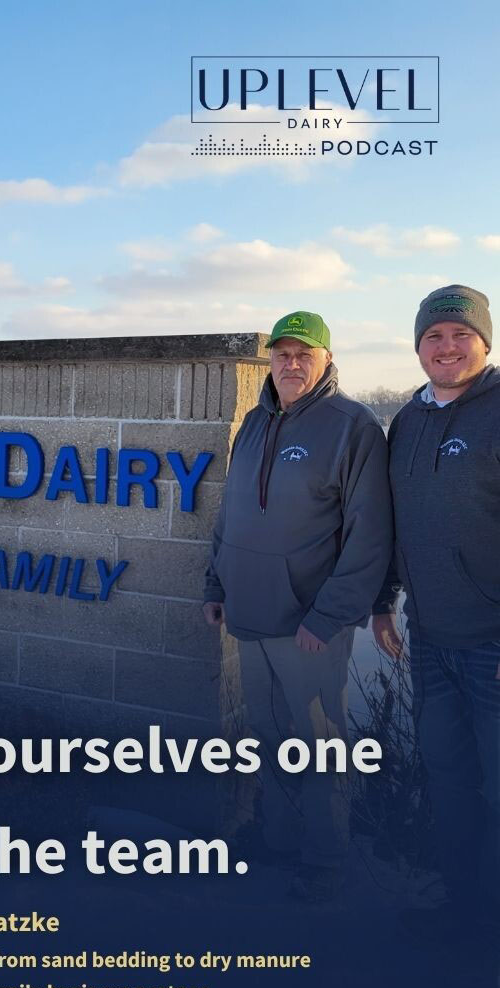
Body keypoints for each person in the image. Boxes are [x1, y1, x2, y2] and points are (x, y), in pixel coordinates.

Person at [203, 312, 393, 901]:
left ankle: (325, 858)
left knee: (318, 740)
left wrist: (330, 616)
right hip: (250, 613)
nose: (290, 364)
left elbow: (370, 535)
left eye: (302, 354)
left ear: (326, 360)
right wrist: (215, 584)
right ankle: (279, 839)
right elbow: (232, 512)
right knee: (266, 735)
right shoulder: (255, 423)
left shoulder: (352, 426)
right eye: (280, 353)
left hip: (310, 623)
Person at [371, 284, 499, 939]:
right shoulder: (409, 423)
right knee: (449, 780)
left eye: (459, 335)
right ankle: (464, 909)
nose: (446, 347)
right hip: (431, 636)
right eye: (433, 336)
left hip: (493, 644)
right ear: (418, 345)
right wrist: (384, 602)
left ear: (484, 340)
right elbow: (400, 524)